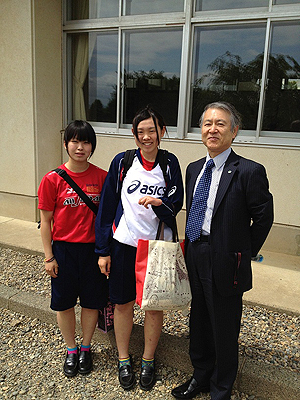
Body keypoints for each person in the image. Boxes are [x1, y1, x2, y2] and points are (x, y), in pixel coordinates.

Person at [172, 102, 273, 400]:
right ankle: (200, 376)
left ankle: (221, 388)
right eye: (207, 123)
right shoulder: (193, 169)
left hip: (227, 260)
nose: (212, 129)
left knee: (224, 327)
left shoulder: (249, 171)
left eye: (220, 124)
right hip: (196, 252)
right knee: (199, 319)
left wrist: (242, 252)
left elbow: (264, 217)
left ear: (234, 130)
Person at [95, 106, 184, 391]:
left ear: (162, 131)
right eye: (141, 131)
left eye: (152, 130)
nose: (147, 137)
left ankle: (148, 360)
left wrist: (161, 205)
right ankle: (123, 359)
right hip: (124, 244)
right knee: (121, 303)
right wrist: (103, 250)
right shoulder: (122, 162)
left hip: (156, 246)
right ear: (134, 135)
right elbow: (107, 206)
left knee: (154, 306)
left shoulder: (170, 163)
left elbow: (176, 202)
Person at [38, 120, 108, 377]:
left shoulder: (103, 177)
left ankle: (86, 347)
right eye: (75, 141)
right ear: (66, 144)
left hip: (93, 252)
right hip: (64, 251)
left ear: (92, 146)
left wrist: (106, 252)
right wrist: (49, 257)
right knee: (64, 303)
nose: (80, 147)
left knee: (91, 303)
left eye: (86, 141)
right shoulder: (52, 179)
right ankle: (71, 349)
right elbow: (45, 222)